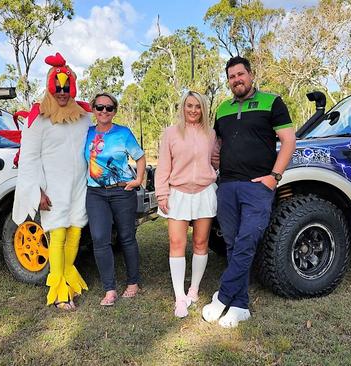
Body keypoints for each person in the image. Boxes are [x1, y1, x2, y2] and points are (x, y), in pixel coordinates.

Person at [202, 56, 296, 328]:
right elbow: (219, 144)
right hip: (227, 186)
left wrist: (274, 177)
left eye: (240, 74)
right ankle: (240, 305)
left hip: (258, 187)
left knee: (246, 241)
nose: (236, 80)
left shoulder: (272, 102)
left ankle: (222, 298)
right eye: (231, 77)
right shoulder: (222, 109)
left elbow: (288, 140)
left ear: (251, 75)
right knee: (232, 244)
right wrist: (216, 162)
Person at [12, 53, 90, 310]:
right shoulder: (38, 118)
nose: (63, 93)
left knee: (75, 231)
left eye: (67, 88)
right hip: (53, 187)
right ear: (49, 87)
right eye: (58, 88)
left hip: (79, 186)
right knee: (57, 234)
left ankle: (68, 278)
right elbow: (29, 158)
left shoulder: (84, 116)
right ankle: (58, 291)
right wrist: (36, 191)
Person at [156, 91, 219, 318]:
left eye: (198, 107)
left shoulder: (211, 134)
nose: (193, 110)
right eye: (189, 106)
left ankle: (194, 289)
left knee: (201, 242)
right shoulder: (171, 133)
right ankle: (179, 296)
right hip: (178, 193)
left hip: (204, 192)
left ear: (203, 109)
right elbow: (163, 165)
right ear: (183, 107)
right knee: (176, 242)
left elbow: (215, 160)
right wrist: (162, 195)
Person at [84, 92, 146, 306]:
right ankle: (109, 289)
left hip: (121, 191)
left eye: (109, 108)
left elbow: (139, 156)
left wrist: (138, 180)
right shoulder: (87, 134)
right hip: (95, 194)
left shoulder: (123, 133)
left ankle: (133, 282)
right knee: (100, 239)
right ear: (93, 109)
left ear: (114, 111)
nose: (104, 111)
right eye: (100, 107)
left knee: (126, 237)